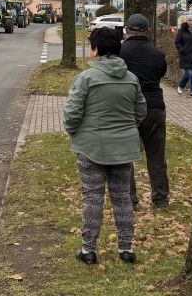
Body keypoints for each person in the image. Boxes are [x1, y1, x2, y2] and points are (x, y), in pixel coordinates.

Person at [64, 27, 147, 265]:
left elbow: (72, 114)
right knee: (122, 198)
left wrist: (75, 133)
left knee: (92, 198)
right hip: (123, 149)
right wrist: (125, 129)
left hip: (91, 148)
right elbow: (141, 111)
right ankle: (126, 249)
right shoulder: (131, 79)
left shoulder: (86, 79)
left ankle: (88, 249)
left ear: (96, 49)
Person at [119, 14, 169, 210]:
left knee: (125, 156)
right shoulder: (158, 54)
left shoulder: (119, 53)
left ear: (127, 30)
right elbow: (160, 74)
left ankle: (130, 201)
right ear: (147, 30)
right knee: (156, 155)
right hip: (154, 107)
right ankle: (161, 200)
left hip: (127, 108)